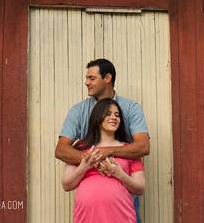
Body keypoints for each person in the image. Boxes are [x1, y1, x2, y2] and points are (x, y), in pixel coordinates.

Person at [55, 58, 150, 219]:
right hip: (88, 212)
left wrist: (107, 151)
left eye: (91, 78)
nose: (86, 82)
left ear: (107, 78)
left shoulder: (131, 108)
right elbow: (61, 150)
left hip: (124, 203)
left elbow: (143, 147)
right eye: (87, 78)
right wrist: (92, 159)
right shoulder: (78, 111)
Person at [61, 98, 145, 223]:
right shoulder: (80, 148)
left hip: (121, 217)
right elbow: (66, 185)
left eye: (117, 115)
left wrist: (119, 174)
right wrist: (84, 167)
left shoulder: (128, 150)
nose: (114, 117)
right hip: (86, 218)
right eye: (108, 114)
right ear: (98, 117)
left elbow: (140, 188)